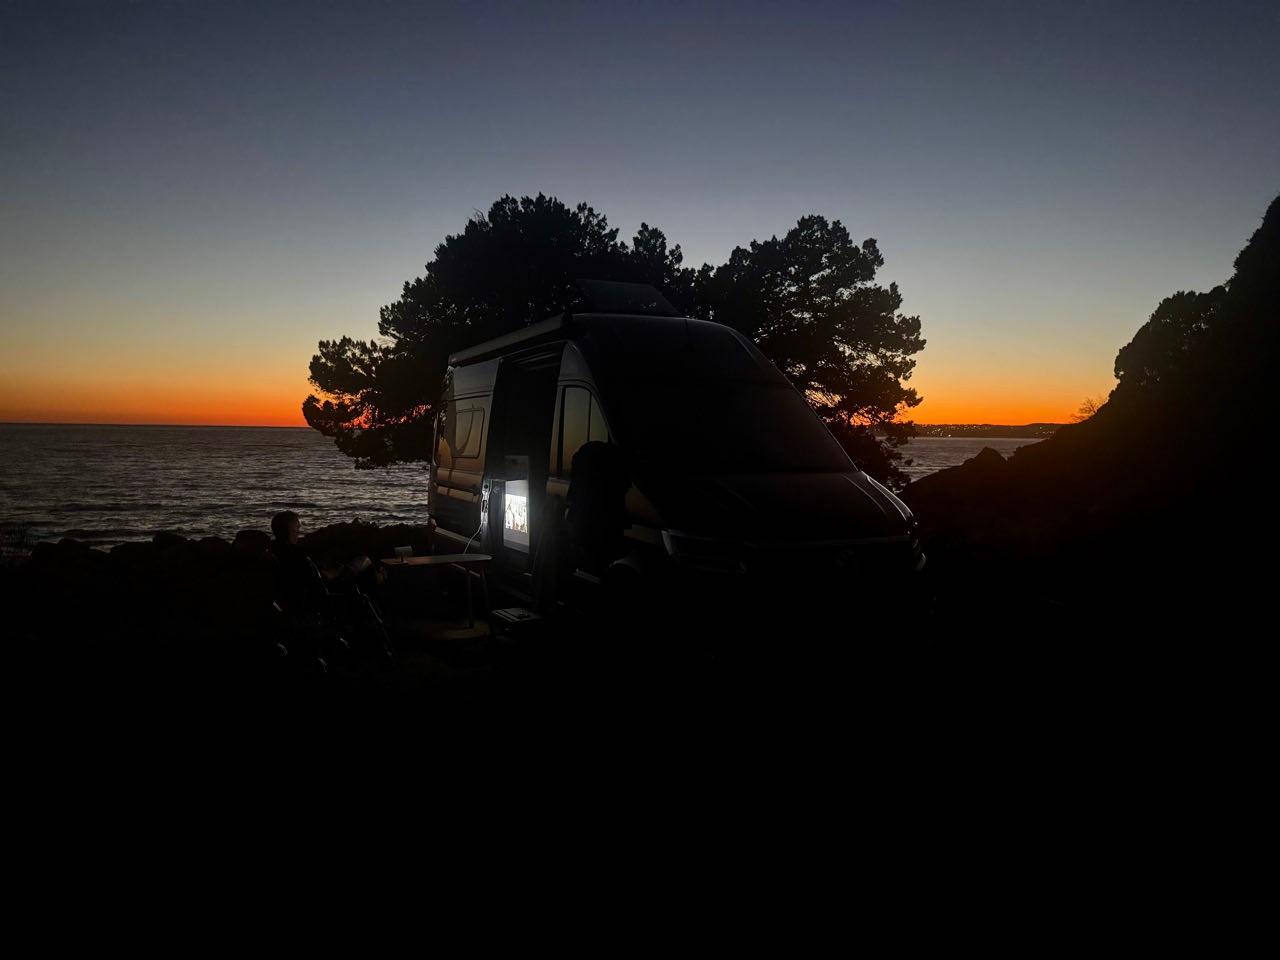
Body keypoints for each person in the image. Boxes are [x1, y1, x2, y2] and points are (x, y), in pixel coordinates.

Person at [268, 510, 392, 665]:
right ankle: (382, 649)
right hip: (318, 603)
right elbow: (319, 583)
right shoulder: (297, 555)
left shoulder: (272, 553)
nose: (299, 533)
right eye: (297, 529)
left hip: (294, 603)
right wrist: (336, 572)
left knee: (360, 573)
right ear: (291, 532)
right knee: (362, 587)